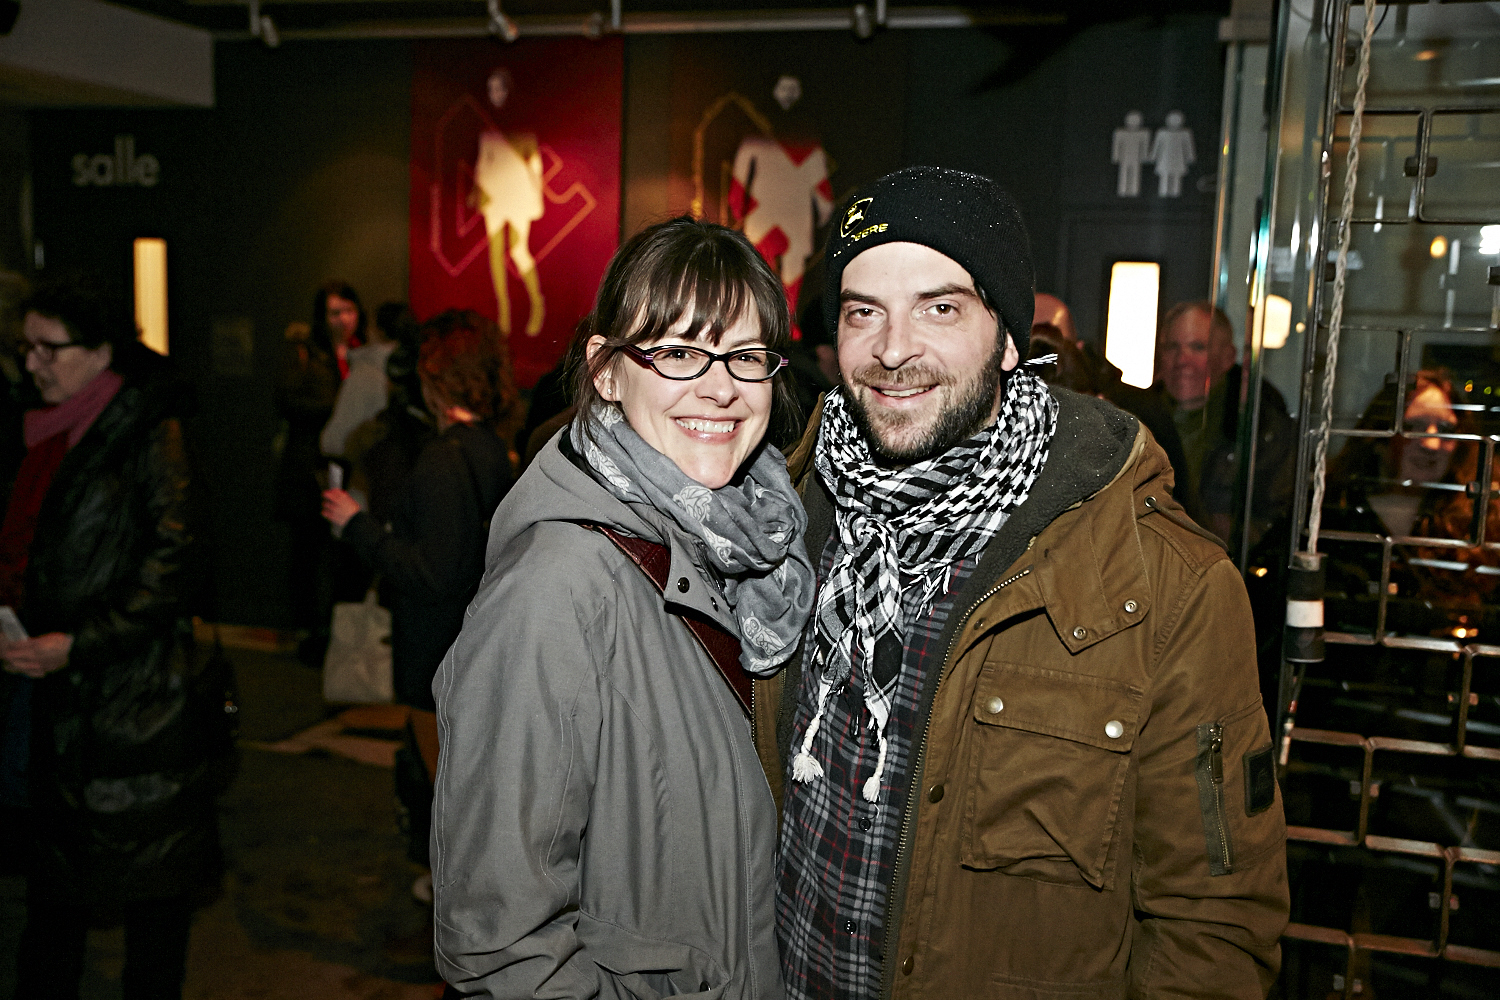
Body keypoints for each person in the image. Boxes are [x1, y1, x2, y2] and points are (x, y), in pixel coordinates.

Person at [763, 167, 1288, 999]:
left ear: (1009, 338)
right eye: (865, 311)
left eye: (940, 308)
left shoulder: (1166, 584)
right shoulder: (780, 516)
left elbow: (1213, 924)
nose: (894, 350)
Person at [431, 217, 816, 998]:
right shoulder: (557, 588)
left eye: (745, 356)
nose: (721, 388)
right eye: (677, 352)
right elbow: (500, 945)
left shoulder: (760, 547)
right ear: (606, 370)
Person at [0, 276, 225, 1000]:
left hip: (137, 707)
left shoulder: (150, 430)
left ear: (100, 352)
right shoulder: (44, 427)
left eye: (49, 348)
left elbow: (172, 566)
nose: (32, 363)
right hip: (52, 695)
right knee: (54, 898)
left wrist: (78, 641)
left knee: (149, 901)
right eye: (24, 346)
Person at [1154, 300, 1296, 549]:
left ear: (1227, 357)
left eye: (1198, 347)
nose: (1182, 360)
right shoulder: (1134, 417)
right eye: (1172, 347)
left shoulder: (1262, 428)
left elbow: (1274, 525)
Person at [274, 280, 366, 663]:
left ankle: (342, 633)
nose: (343, 320)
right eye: (334, 312)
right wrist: (335, 412)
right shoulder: (305, 352)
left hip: (351, 465)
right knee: (309, 551)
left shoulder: (365, 354)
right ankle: (312, 633)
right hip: (309, 466)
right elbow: (287, 401)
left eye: (348, 310)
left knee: (347, 553)